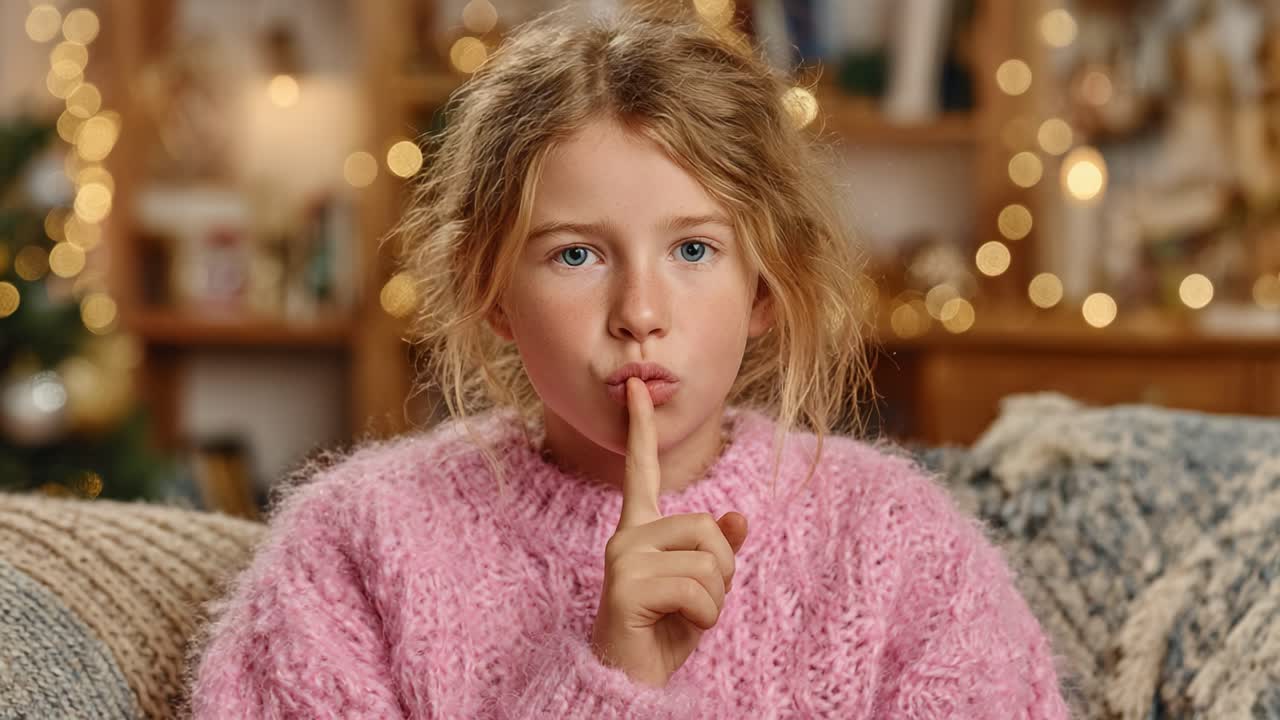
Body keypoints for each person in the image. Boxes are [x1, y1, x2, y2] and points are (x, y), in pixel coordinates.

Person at [186, 5, 1071, 718]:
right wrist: (612, 679)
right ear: (490, 291)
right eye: (577, 255)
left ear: (765, 289)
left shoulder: (900, 549)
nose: (640, 315)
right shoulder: (352, 549)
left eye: (693, 251)